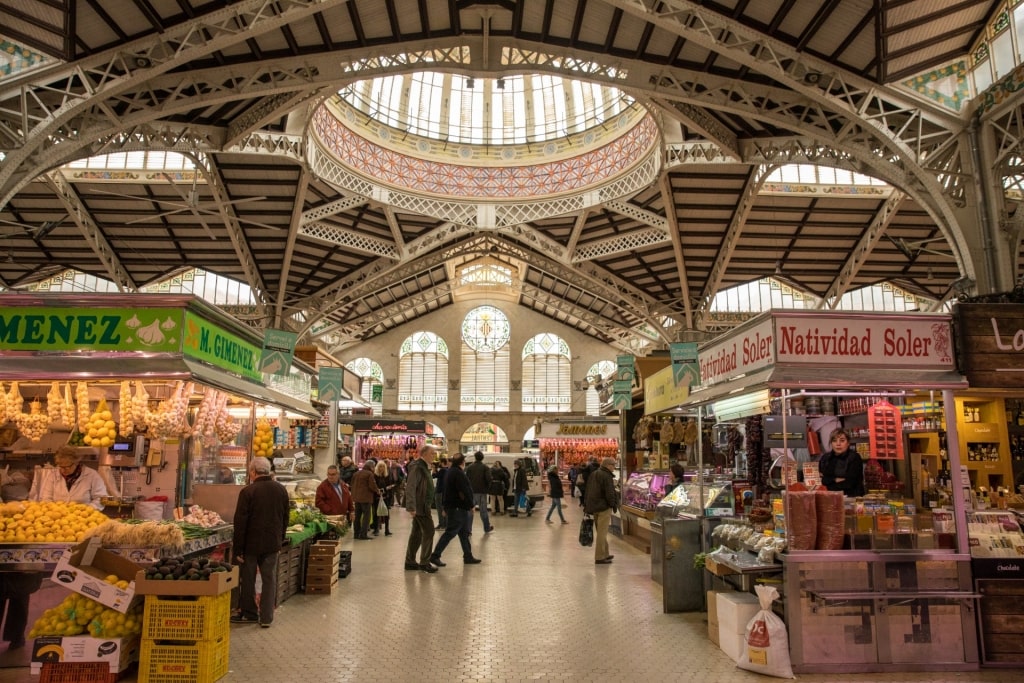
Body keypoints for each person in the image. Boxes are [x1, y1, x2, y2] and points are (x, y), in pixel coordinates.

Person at [231, 457, 290, 627]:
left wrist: (238, 549)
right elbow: (285, 517)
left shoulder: (248, 492)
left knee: (248, 578)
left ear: (253, 472)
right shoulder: (281, 489)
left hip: (251, 544)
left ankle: (249, 613)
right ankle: (266, 617)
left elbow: (240, 523)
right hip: (272, 542)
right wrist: (281, 538)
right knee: (269, 578)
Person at [428, 454, 481, 567]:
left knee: (464, 533)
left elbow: (445, 490)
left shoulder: (450, 472)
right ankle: (435, 555)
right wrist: (471, 505)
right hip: (458, 508)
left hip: (455, 507)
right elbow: (464, 490)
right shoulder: (458, 473)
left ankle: (468, 555)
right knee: (450, 532)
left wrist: (444, 506)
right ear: (462, 462)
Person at [36, 446, 107, 509]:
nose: (63, 470)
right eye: (61, 466)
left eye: (67, 467)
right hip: (59, 519)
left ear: (76, 463)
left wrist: (87, 510)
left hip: (84, 518)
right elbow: (46, 498)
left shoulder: (92, 475)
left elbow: (100, 499)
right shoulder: (52, 476)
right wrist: (55, 510)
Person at [404, 444, 438, 573]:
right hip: (420, 506)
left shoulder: (423, 467)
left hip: (423, 505)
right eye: (432, 453)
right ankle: (424, 562)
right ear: (423, 454)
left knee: (417, 533)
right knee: (429, 531)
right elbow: (411, 486)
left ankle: (410, 561)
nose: (434, 456)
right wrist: (411, 506)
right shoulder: (418, 467)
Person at [584, 457, 619, 565]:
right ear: (608, 465)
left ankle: (605, 553)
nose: (614, 467)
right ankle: (599, 557)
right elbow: (609, 493)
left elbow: (588, 490)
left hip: (593, 507)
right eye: (613, 465)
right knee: (602, 533)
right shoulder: (606, 476)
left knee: (601, 531)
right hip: (603, 507)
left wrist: (587, 505)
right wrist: (613, 504)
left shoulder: (594, 474)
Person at [818, 428, 865, 497]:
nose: (838, 444)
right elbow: (820, 480)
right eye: (834, 441)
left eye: (842, 441)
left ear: (848, 443)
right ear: (831, 443)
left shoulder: (854, 457)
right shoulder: (825, 458)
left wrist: (828, 482)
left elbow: (849, 483)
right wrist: (835, 479)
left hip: (850, 497)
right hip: (828, 497)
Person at [314, 465, 355, 530]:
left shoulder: (343, 484)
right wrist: (330, 511)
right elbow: (318, 502)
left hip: (342, 517)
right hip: (331, 519)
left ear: (338, 474)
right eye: (329, 474)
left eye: (333, 474)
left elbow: (348, 497)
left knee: (339, 538)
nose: (330, 477)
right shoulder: (322, 487)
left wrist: (351, 510)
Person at [464, 451, 494, 535]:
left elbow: (466, 479)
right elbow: (489, 479)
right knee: (483, 511)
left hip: (471, 492)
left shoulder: (469, 467)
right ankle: (486, 528)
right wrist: (487, 488)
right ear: (482, 458)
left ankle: (468, 530)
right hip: (482, 492)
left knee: (470, 511)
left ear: (475, 457)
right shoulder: (485, 467)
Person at [350, 459, 380, 540]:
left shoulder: (356, 473)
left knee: (357, 516)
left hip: (356, 498)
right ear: (371, 466)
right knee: (366, 517)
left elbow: (352, 484)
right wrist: (377, 491)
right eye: (374, 466)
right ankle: (363, 534)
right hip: (366, 498)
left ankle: (356, 534)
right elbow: (372, 485)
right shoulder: (369, 474)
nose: (374, 468)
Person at [372, 460, 394, 536]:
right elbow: (374, 486)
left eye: (383, 466)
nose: (381, 468)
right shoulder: (374, 476)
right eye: (380, 466)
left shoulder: (387, 476)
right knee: (376, 513)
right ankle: (376, 529)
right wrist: (381, 489)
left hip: (385, 497)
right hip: (377, 497)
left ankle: (387, 530)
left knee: (386, 513)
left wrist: (386, 489)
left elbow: (390, 485)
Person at [433, 456, 450, 530]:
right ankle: (446, 524)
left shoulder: (442, 470)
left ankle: (442, 524)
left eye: (440, 462)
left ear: (442, 463)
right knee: (444, 508)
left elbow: (433, 476)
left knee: (440, 509)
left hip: (440, 492)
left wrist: (434, 468)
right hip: (445, 492)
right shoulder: (448, 470)